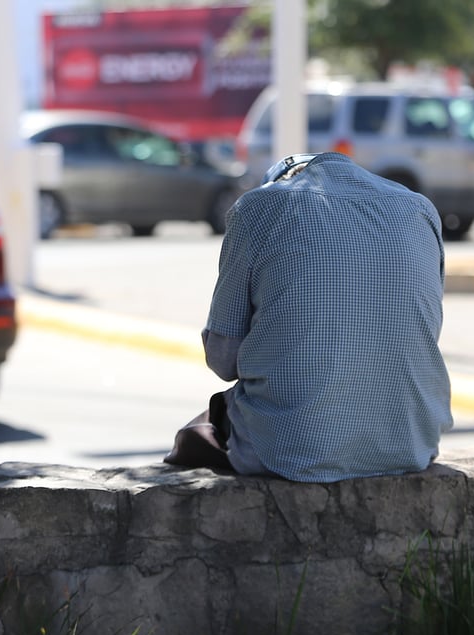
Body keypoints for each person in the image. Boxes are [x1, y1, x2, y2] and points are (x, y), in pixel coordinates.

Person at [164, 152, 453, 483]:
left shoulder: (257, 209)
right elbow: (422, 333)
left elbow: (223, 360)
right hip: (412, 444)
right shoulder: (419, 210)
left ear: (281, 180)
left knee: (196, 432)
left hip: (289, 449)